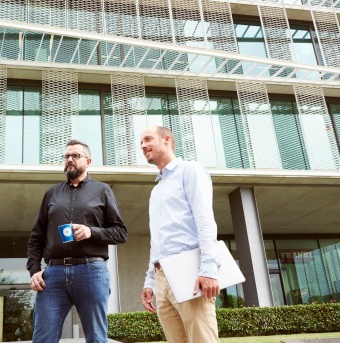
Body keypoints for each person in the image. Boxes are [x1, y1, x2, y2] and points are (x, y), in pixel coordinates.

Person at [27, 139, 128, 343]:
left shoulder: (103, 190)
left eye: (75, 156)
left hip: (91, 272)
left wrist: (92, 232)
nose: (70, 160)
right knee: (42, 338)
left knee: (96, 338)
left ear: (88, 161)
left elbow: (120, 233)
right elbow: (36, 237)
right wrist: (34, 270)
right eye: (66, 156)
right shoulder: (51, 194)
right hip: (53, 275)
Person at [139, 126, 221, 343]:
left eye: (148, 139)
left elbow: (205, 221)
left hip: (189, 271)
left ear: (166, 140)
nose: (143, 146)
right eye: (141, 143)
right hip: (161, 277)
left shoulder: (190, 170)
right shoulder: (155, 191)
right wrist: (149, 282)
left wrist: (209, 269)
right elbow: (156, 240)